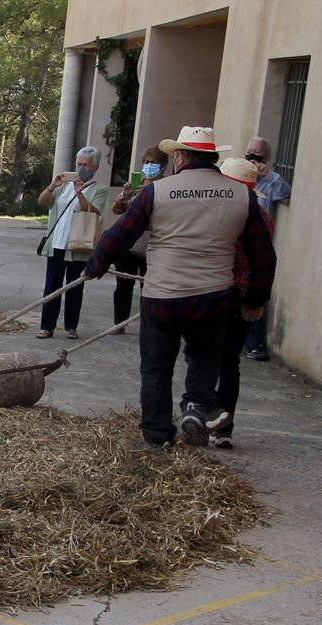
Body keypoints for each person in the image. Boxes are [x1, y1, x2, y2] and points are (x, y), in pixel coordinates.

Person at [84, 126, 275, 452]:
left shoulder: (156, 192)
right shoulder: (242, 196)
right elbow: (263, 256)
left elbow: (119, 235)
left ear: (181, 156)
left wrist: (95, 267)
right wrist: (255, 299)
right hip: (213, 296)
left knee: (156, 369)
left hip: (163, 296)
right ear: (212, 157)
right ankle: (196, 406)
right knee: (204, 355)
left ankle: (158, 436)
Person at [199, 157, 275, 449]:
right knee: (230, 362)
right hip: (245, 300)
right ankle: (224, 429)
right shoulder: (264, 217)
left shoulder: (223, 212)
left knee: (205, 357)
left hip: (218, 295)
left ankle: (207, 415)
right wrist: (257, 299)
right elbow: (264, 262)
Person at [35, 146, 108, 340]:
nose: (82, 168)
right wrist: (53, 185)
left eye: (86, 165)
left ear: (95, 167)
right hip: (57, 243)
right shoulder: (63, 186)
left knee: (75, 287)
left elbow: (93, 210)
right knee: (52, 286)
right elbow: (42, 201)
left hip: (79, 245)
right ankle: (47, 326)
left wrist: (80, 193)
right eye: (79, 164)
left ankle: (71, 327)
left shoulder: (99, 189)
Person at [107, 145, 168, 331]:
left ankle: (147, 325)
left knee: (147, 288)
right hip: (128, 244)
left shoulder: (165, 188)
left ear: (163, 166)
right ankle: (119, 323)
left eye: (153, 163)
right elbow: (117, 210)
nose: (148, 166)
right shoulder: (136, 184)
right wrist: (125, 196)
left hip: (152, 244)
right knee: (123, 285)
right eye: (146, 162)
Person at [242, 135, 291, 362]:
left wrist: (267, 176)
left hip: (257, 245)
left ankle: (253, 343)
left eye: (257, 155)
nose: (252, 158)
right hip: (233, 242)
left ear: (267, 157)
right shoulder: (236, 173)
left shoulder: (272, 181)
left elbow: (288, 194)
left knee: (256, 291)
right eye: (249, 153)